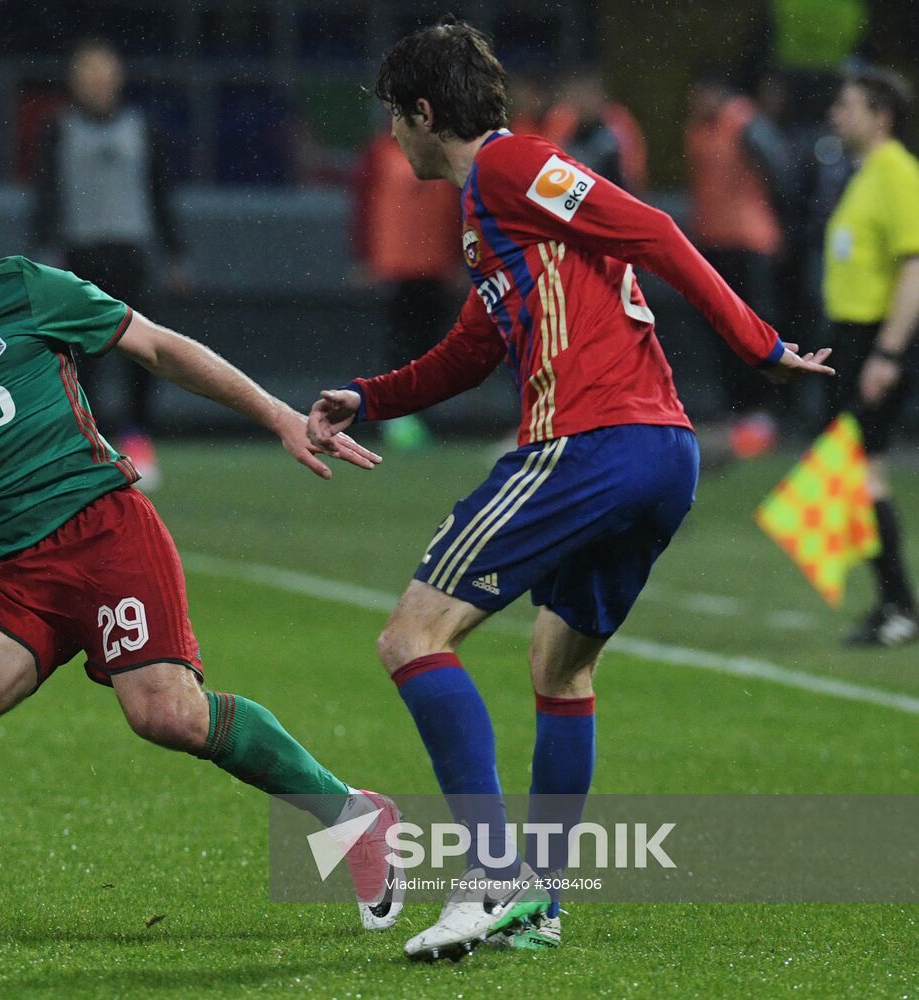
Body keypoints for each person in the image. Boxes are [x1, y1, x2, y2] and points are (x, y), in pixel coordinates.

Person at [307, 18, 834, 961]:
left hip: (591, 442)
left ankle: (496, 874)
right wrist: (369, 396)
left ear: (426, 113)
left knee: (411, 636)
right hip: (658, 456)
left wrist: (759, 344)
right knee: (561, 668)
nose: (391, 135)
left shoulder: (510, 168)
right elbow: (474, 345)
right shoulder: (500, 218)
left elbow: (656, 227)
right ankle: (539, 904)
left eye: (394, 117)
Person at [0, 166, 404, 932]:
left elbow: (156, 347)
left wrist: (277, 415)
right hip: (6, 573)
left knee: (166, 716)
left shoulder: (21, 293)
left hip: (102, 534)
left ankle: (353, 816)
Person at [31, 37, 187, 490]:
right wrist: (44, 250)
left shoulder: (143, 129)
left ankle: (138, 438)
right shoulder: (56, 130)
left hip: (132, 253)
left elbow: (160, 194)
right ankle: (91, 443)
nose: (99, 83)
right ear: (75, 81)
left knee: (141, 352)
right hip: (79, 255)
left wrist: (174, 253)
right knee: (82, 358)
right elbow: (44, 195)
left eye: (106, 73)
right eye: (89, 74)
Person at [821, 67, 919, 646]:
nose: (837, 115)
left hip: (878, 340)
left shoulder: (897, 174)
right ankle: (892, 603)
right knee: (852, 474)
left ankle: (899, 607)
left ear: (881, 116)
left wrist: (888, 351)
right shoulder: (863, 174)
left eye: (848, 106)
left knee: (863, 473)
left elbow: (915, 265)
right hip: (856, 339)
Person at [685, 72, 795, 459]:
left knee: (754, 326)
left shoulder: (748, 126)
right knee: (721, 332)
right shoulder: (701, 128)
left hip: (750, 244)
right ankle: (740, 411)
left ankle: (763, 412)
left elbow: (782, 176)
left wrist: (786, 229)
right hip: (714, 244)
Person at [351, 126, 464, 451]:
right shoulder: (380, 151)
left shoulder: (445, 150)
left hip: (435, 264)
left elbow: (457, 208)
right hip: (395, 264)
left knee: (430, 344)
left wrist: (457, 257)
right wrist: (364, 255)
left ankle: (414, 413)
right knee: (399, 342)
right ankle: (397, 415)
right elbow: (363, 204)